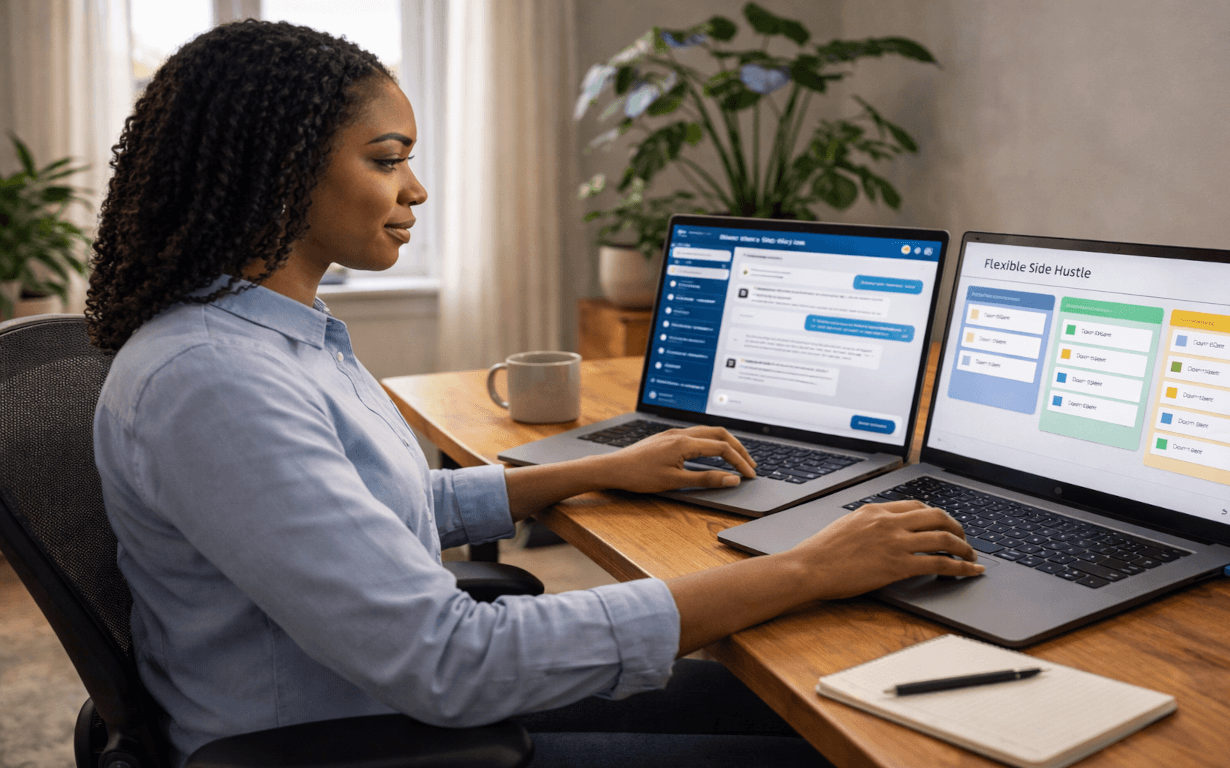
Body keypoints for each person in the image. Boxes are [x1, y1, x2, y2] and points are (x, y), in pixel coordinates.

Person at [85, 20, 983, 768]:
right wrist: (805, 569)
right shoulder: (217, 382)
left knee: (808, 701)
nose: (415, 189)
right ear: (277, 169)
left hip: (378, 697)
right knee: (834, 747)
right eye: (387, 160)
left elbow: (379, 504)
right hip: (348, 739)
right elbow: (452, 661)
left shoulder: (275, 335)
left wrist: (590, 473)